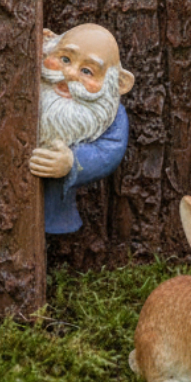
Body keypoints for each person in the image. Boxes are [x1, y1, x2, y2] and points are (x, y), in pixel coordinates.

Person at [30, 24, 135, 235]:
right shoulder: (33, 86)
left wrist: (72, 162)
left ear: (119, 83)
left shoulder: (111, 116)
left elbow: (109, 152)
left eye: (87, 71)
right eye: (65, 59)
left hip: (51, 206)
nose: (69, 74)